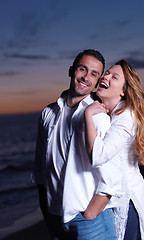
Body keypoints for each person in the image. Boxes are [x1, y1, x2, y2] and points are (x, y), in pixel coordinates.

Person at [32, 49, 117, 240]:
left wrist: (90, 214)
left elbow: (114, 175)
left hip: (89, 218)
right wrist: (44, 205)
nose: (86, 77)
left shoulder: (98, 117)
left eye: (94, 74)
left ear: (97, 82)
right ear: (71, 71)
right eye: (82, 69)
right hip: (54, 214)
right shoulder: (48, 113)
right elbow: (40, 166)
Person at [84, 60, 144, 240]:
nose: (106, 76)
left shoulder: (126, 116)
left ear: (123, 91)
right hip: (118, 199)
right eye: (107, 72)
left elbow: (99, 156)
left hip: (128, 202)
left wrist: (89, 115)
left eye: (114, 76)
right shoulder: (113, 114)